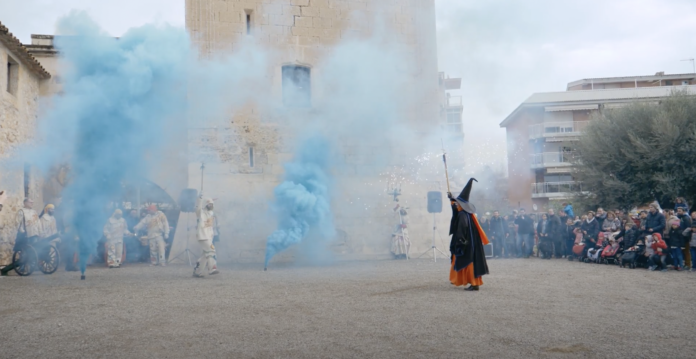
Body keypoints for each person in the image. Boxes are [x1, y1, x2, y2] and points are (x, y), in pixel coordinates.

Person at [447, 178, 489, 291]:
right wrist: (451, 200)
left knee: (468, 263)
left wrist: (460, 241)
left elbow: (462, 227)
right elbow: (455, 212)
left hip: (466, 243)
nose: (456, 204)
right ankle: (460, 280)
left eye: (457, 203)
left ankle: (474, 283)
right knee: (464, 261)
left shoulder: (462, 215)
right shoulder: (466, 213)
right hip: (471, 243)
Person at [1, 198, 41, 276]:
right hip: (25, 235)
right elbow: (17, 223)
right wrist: (21, 231)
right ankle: (22, 267)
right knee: (24, 253)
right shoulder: (21, 211)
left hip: (34, 234)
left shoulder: (34, 212)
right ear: (25, 203)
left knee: (33, 251)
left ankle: (32, 265)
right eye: (30, 202)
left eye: (32, 202)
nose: (32, 204)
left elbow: (38, 222)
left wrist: (39, 232)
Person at [193, 196, 220, 277]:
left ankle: (197, 271)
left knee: (205, 255)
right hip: (202, 236)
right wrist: (200, 199)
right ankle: (212, 268)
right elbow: (198, 207)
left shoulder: (211, 213)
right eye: (209, 204)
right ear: (205, 205)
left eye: (212, 204)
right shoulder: (200, 212)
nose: (211, 206)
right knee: (212, 250)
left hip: (209, 236)